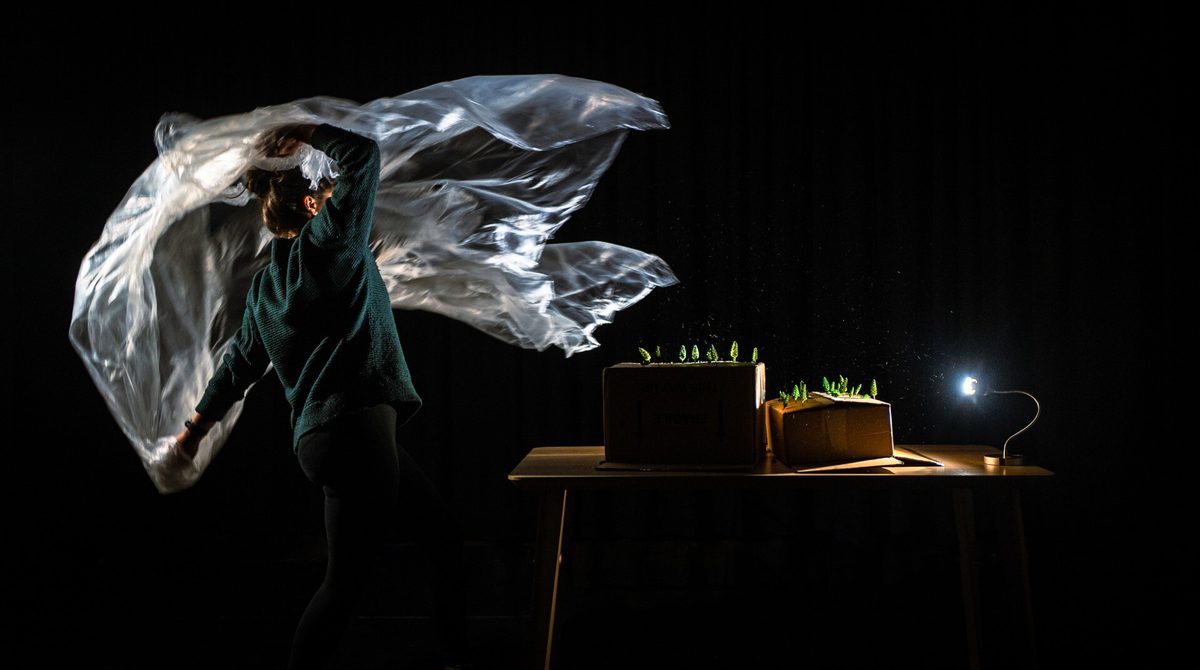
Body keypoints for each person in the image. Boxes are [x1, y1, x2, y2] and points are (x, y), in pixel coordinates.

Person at [172, 123, 468, 669]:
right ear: (311, 203)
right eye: (325, 193)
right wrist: (306, 128)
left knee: (444, 539)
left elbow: (238, 368)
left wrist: (190, 436)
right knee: (344, 588)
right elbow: (364, 155)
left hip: (325, 438)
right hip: (355, 430)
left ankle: (458, 657)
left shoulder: (266, 289)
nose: (334, 197)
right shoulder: (330, 243)